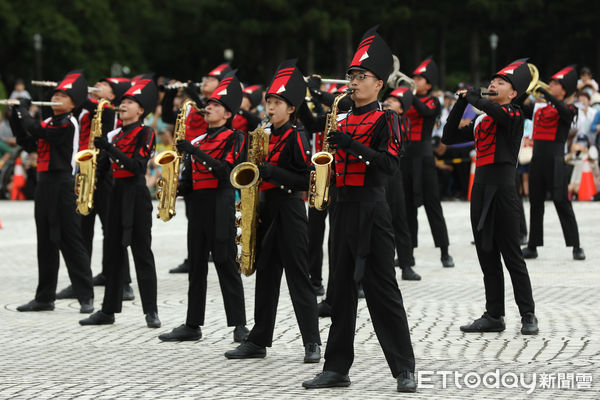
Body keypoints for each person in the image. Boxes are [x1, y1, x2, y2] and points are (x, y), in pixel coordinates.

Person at [301, 27, 416, 393]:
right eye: (350, 76)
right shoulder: (342, 117)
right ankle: (336, 368)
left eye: (360, 76)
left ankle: (404, 369)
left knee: (383, 290)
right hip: (342, 208)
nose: (353, 82)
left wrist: (353, 146)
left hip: (372, 209)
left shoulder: (388, 119)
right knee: (340, 291)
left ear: (378, 82)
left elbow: (389, 166)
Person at [224, 59, 321, 364]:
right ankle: (258, 340)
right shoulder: (263, 135)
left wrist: (272, 172)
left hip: (290, 210)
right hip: (266, 210)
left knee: (297, 277)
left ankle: (312, 342)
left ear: (291, 109)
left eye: (277, 102)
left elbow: (308, 177)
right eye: (269, 101)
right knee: (266, 278)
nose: (270, 107)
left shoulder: (296, 134)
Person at [442, 58, 538, 336]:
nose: (493, 85)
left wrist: (478, 100)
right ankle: (494, 314)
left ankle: (528, 313)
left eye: (501, 82)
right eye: (492, 81)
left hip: (505, 190)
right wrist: (462, 103)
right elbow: (448, 137)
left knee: (512, 256)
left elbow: (500, 114)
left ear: (513, 93)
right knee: (487, 255)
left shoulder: (515, 114)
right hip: (480, 189)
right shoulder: (481, 118)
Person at [158, 70, 249, 343]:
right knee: (196, 265)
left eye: (216, 106)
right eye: (208, 104)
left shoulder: (236, 138)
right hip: (197, 205)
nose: (208, 108)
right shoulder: (196, 140)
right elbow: (189, 180)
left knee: (225, 262)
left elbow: (226, 172)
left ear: (228, 114)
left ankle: (240, 325)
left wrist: (194, 152)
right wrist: (172, 188)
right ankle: (192, 324)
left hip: (220, 203)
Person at [8, 70, 94, 314]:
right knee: (45, 242)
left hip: (63, 185)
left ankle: (85, 295)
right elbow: (28, 141)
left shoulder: (69, 123)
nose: (56, 98)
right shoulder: (48, 123)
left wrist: (24, 111)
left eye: (62, 95)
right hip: (44, 185)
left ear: (72, 104)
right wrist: (16, 115)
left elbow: (38, 131)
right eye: (55, 94)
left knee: (70, 240)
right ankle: (44, 297)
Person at [79, 76, 161, 328]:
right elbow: (103, 168)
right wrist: (87, 185)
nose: (123, 105)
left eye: (129, 102)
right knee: (113, 254)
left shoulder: (146, 132)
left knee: (142, 253)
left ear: (141, 110)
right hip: (115, 196)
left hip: (136, 196)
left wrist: (109, 148)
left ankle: (151, 311)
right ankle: (108, 310)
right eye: (123, 101)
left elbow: (137, 166)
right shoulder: (114, 134)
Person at [55, 77, 136, 300]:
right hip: (85, 171)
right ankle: (81, 280)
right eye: (97, 83)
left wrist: (77, 93)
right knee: (82, 229)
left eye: (104, 85)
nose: (98, 86)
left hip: (106, 174)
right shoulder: (87, 109)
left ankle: (124, 282)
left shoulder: (109, 109)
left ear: (113, 95)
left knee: (112, 229)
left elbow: (94, 107)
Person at [162, 63, 233, 274]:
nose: (205, 82)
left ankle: (215, 252)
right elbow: (168, 117)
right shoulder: (192, 106)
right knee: (193, 216)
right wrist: (168, 95)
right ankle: (195, 254)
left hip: (210, 161)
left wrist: (195, 94)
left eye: (210, 80)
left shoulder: (215, 107)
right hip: (190, 160)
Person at [520, 65, 585, 261]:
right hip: (537, 159)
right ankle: (532, 246)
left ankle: (576, 245)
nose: (550, 85)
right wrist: (522, 89)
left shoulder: (570, 108)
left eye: (555, 83)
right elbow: (522, 108)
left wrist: (547, 96)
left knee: (562, 202)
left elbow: (565, 111)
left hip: (556, 160)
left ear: (563, 89)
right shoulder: (539, 107)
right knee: (535, 203)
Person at [404, 56, 454, 269]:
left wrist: (409, 95)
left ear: (429, 84)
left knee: (433, 205)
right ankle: (408, 254)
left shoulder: (434, 100)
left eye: (419, 78)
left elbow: (426, 113)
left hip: (424, 157)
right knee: (406, 208)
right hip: (405, 156)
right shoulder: (406, 98)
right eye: (413, 77)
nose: (415, 80)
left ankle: (444, 251)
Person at [381, 86, 421, 280]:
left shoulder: (402, 121)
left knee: (399, 220)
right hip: (377, 172)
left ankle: (406, 265)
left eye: (395, 100)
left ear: (402, 108)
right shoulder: (377, 115)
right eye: (388, 98)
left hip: (394, 174)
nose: (389, 101)